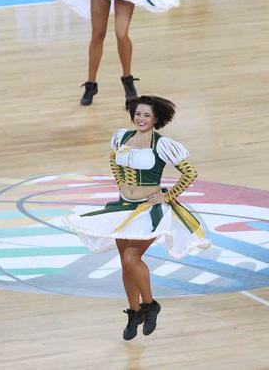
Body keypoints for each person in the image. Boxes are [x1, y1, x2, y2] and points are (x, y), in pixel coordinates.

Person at [60, 95, 210, 340]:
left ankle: (150, 305)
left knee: (132, 257)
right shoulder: (122, 137)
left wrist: (167, 196)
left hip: (147, 210)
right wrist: (120, 182)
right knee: (125, 263)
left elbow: (189, 173)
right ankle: (134, 312)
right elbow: (113, 159)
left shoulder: (162, 144)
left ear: (156, 119)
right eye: (138, 114)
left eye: (146, 115)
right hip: (124, 208)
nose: (141, 118)